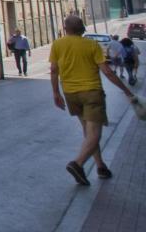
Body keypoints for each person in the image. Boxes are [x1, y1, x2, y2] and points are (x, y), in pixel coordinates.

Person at [50, 14, 135, 185]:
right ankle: (78, 164)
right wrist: (126, 90)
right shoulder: (91, 45)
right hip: (91, 93)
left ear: (65, 29)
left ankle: (100, 166)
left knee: (89, 132)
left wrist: (56, 93)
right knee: (95, 133)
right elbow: (108, 71)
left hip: (71, 94)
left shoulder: (57, 44)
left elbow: (53, 70)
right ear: (82, 29)